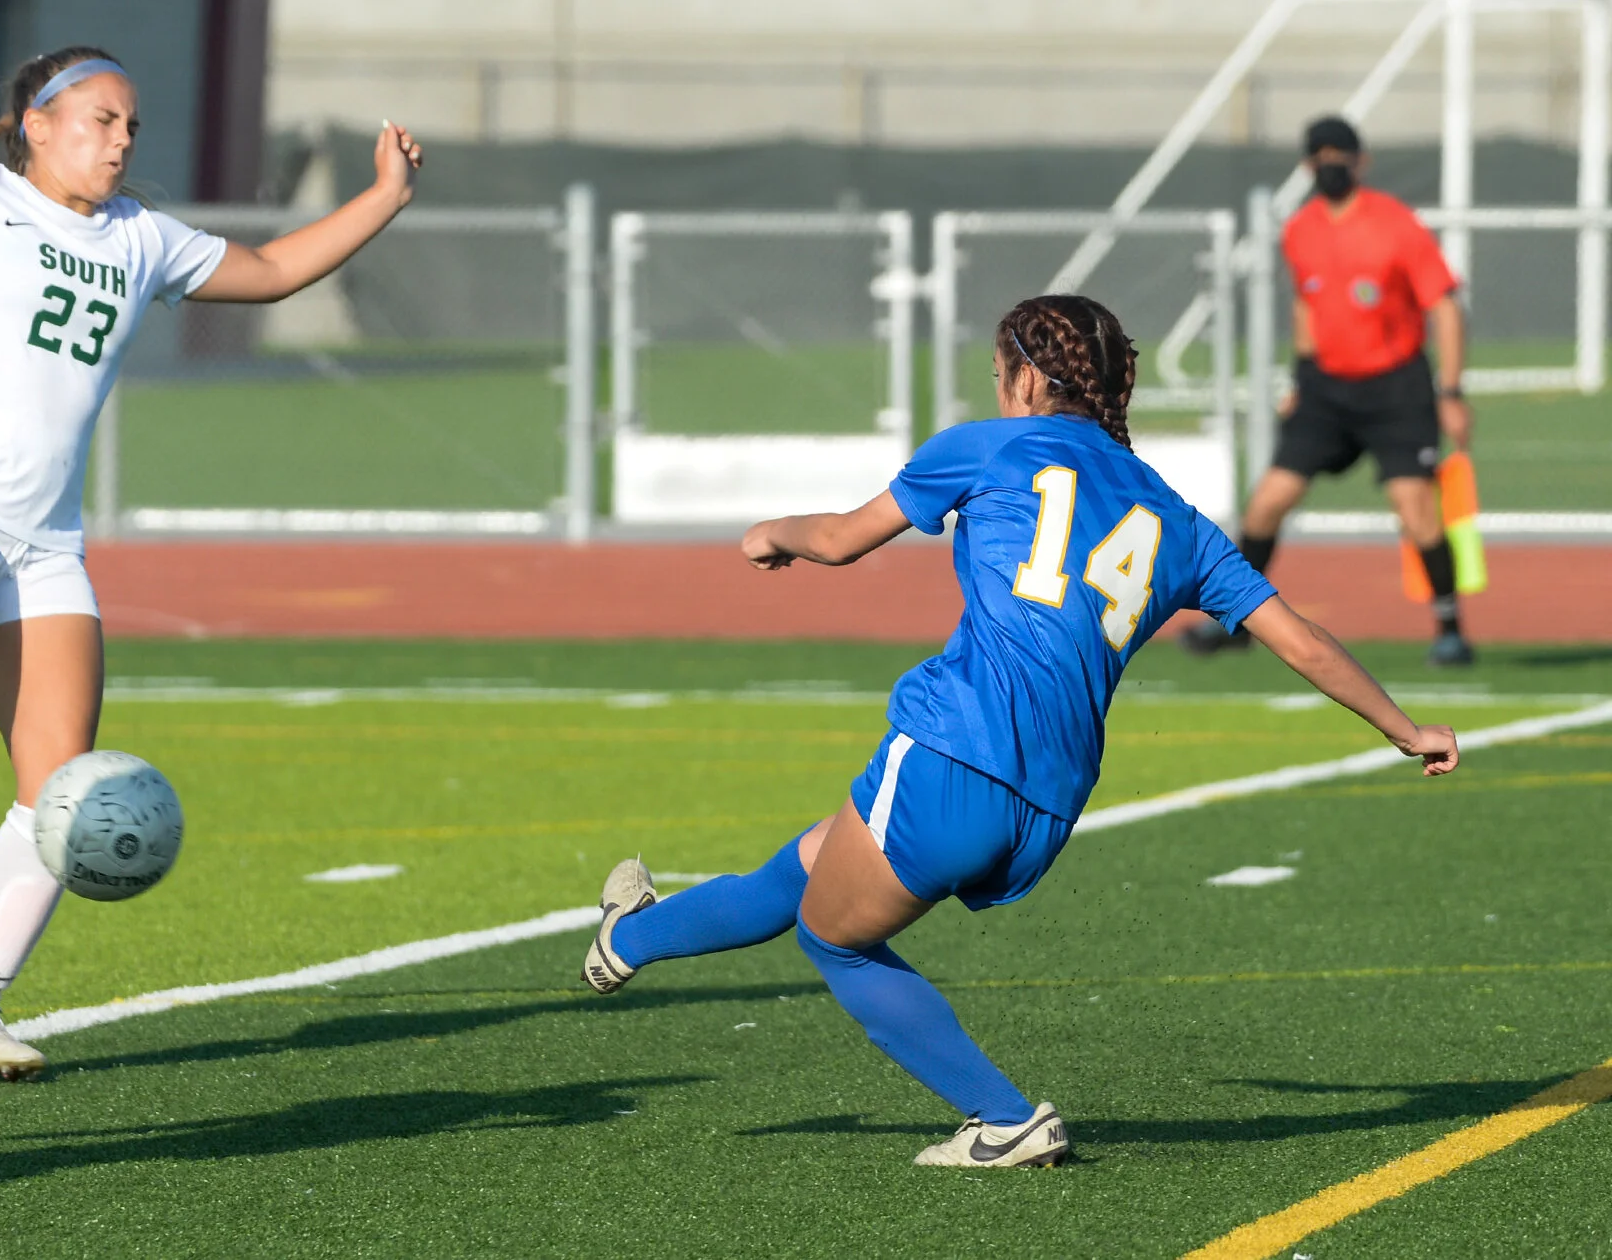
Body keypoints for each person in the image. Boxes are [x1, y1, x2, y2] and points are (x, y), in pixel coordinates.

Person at [581, 295, 1460, 1167]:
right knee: (817, 858)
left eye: (1001, 374)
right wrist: (1404, 727)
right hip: (1048, 800)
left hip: (954, 746)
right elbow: (1300, 639)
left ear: (1030, 379)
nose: (999, 389)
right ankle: (628, 938)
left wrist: (771, 532)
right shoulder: (1178, 518)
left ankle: (1001, 1117)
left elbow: (845, 539)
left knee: (833, 935)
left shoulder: (985, 447)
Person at [0, 47, 422, 1080]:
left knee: (59, 783)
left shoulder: (141, 239)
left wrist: (384, 196)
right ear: (38, 123)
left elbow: (277, 271)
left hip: (45, 540)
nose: (119, 140)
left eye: (130, 127)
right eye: (101, 120)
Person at [1184, 115, 1474, 666]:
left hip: (1396, 388)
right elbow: (1306, 304)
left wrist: (1452, 392)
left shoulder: (1396, 225)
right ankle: (1237, 623)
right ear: (1307, 164)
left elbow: (1444, 304)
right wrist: (1302, 377)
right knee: (1267, 502)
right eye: (1320, 155)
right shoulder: (1301, 229)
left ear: (1360, 162)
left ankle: (1449, 628)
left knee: (1416, 511)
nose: (1330, 164)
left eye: (1340, 154)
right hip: (1325, 390)